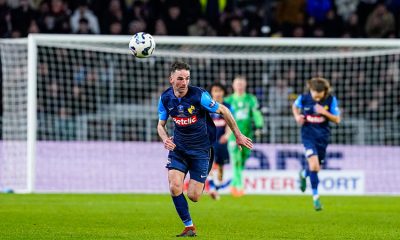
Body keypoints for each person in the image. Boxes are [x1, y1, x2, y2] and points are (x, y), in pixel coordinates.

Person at [157, 61, 253, 237]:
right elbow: (160, 125)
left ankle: (206, 182)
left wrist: (238, 135)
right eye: (180, 78)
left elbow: (224, 110)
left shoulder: (199, 96)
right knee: (174, 186)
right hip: (178, 148)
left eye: (187, 78)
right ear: (171, 79)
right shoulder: (165, 98)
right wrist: (164, 139)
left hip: (201, 150)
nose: (184, 82)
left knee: (194, 196)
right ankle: (189, 227)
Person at [292, 77, 341, 211]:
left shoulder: (331, 100)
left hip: (323, 138)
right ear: (311, 90)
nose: (318, 99)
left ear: (325, 92)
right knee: (314, 166)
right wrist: (297, 116)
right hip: (308, 136)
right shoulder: (303, 98)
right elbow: (295, 107)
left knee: (315, 167)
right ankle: (316, 198)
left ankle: (303, 174)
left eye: (320, 96)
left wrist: (324, 112)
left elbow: (337, 119)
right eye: (315, 95)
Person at [224, 75, 264, 197]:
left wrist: (259, 126)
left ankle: (234, 184)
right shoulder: (228, 101)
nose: (240, 86)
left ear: (245, 85)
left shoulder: (251, 99)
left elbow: (256, 113)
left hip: (248, 135)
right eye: (237, 84)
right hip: (233, 136)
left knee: (243, 161)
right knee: (236, 160)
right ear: (233, 86)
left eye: (242, 84)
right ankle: (239, 187)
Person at [207, 82, 232, 200]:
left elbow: (230, 122)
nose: (217, 93)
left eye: (219, 91)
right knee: (210, 163)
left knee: (221, 166)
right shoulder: (207, 106)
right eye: (215, 91)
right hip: (209, 140)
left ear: (223, 92)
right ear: (211, 93)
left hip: (222, 140)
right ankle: (212, 187)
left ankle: (217, 188)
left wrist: (227, 135)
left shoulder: (227, 106)